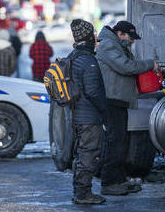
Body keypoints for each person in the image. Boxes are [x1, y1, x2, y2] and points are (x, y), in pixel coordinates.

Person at [96, 20, 158, 196]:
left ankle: (119, 179)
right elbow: (126, 67)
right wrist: (150, 64)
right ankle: (109, 182)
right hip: (111, 100)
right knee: (115, 141)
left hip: (118, 99)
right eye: (130, 38)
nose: (132, 41)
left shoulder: (117, 46)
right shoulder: (108, 46)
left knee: (121, 141)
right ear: (120, 34)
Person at [69, 19, 107, 204]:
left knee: (82, 153)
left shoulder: (73, 56)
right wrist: (104, 109)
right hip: (89, 117)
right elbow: (93, 91)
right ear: (89, 36)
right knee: (89, 153)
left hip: (76, 115)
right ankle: (83, 194)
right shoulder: (87, 61)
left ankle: (80, 191)